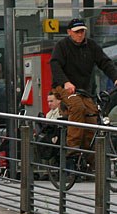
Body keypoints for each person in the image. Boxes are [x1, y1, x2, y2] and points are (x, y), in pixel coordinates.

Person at [50, 18, 117, 168]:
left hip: (83, 89)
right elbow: (55, 65)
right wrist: (65, 82)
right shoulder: (62, 46)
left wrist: (115, 78)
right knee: (77, 107)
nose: (80, 35)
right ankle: (72, 150)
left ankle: (88, 156)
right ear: (69, 33)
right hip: (63, 86)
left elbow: (104, 62)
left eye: (82, 31)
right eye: (77, 32)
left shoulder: (91, 46)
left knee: (93, 115)